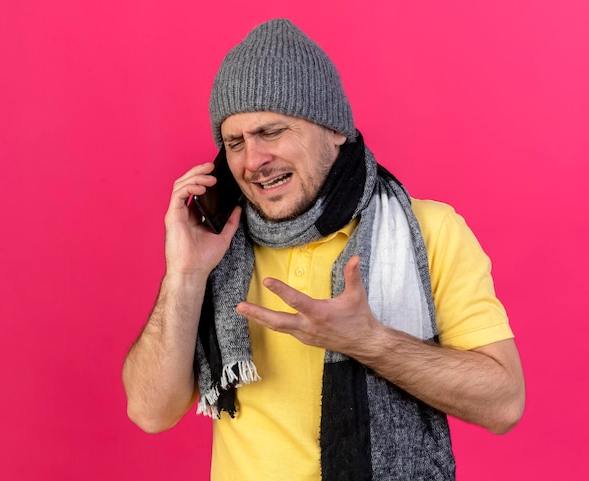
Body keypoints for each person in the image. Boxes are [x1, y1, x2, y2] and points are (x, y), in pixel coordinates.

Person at [122, 18, 525, 481]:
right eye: (235, 142)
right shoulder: (217, 245)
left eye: (272, 131)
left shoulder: (431, 230)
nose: (253, 161)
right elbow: (150, 412)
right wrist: (185, 273)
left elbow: (504, 402)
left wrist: (370, 342)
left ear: (334, 129)